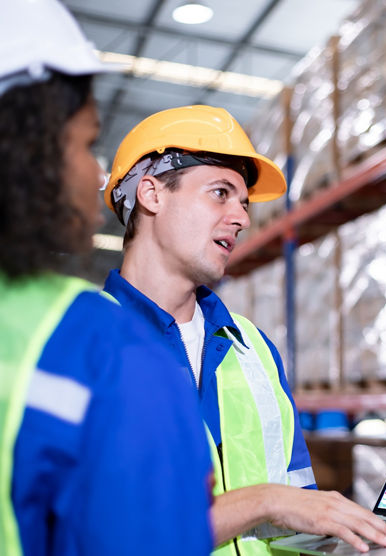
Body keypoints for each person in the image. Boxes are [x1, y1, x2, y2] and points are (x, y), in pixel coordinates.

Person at [103, 105, 386, 555]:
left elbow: (295, 518)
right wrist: (262, 502)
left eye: (243, 203)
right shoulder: (80, 346)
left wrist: (364, 542)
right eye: (220, 193)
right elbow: (106, 533)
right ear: (151, 194)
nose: (241, 218)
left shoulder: (252, 349)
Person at [0, 2, 213, 555]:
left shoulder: (252, 350)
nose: (97, 174)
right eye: (84, 141)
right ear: (28, 146)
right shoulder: (104, 352)